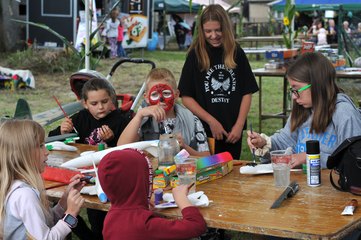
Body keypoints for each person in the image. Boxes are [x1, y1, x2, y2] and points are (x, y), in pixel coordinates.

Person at [49, 78, 132, 239]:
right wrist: (62, 130)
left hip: (107, 177)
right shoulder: (80, 118)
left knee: (99, 217)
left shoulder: (121, 120)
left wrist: (111, 140)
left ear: (112, 100)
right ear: (85, 104)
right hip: (78, 174)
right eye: (94, 103)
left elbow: (126, 149)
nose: (100, 107)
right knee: (60, 205)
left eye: (104, 101)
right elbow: (52, 138)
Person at [247, 52, 361, 169]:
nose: (294, 97)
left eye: (297, 89)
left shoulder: (345, 114)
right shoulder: (303, 109)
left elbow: (354, 162)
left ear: (317, 84)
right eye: (292, 90)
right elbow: (285, 142)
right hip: (300, 183)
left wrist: (310, 157)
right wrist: (263, 143)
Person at [178, 4, 259, 160]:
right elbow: (186, 97)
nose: (213, 35)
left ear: (226, 28)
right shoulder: (195, 55)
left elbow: (247, 92)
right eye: (208, 31)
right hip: (205, 132)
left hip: (232, 132)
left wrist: (239, 125)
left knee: (230, 172)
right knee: (208, 172)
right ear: (201, 30)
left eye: (218, 30)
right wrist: (211, 121)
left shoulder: (236, 52)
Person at [0, 119, 85, 239]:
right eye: (40, 146)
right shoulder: (24, 195)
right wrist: (70, 215)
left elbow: (47, 222)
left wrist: (65, 199)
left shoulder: (16, 186)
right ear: (21, 154)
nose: (47, 152)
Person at [98, 148, 207, 240]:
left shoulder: (110, 219)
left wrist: (143, 207)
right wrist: (182, 198)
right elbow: (196, 225)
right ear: (141, 182)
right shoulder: (145, 225)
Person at [118, 68, 210, 157]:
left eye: (166, 93)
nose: (161, 99)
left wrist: (184, 147)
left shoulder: (191, 120)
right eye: (154, 94)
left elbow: (207, 157)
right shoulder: (143, 120)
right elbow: (120, 148)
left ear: (176, 95)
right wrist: (139, 115)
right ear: (146, 98)